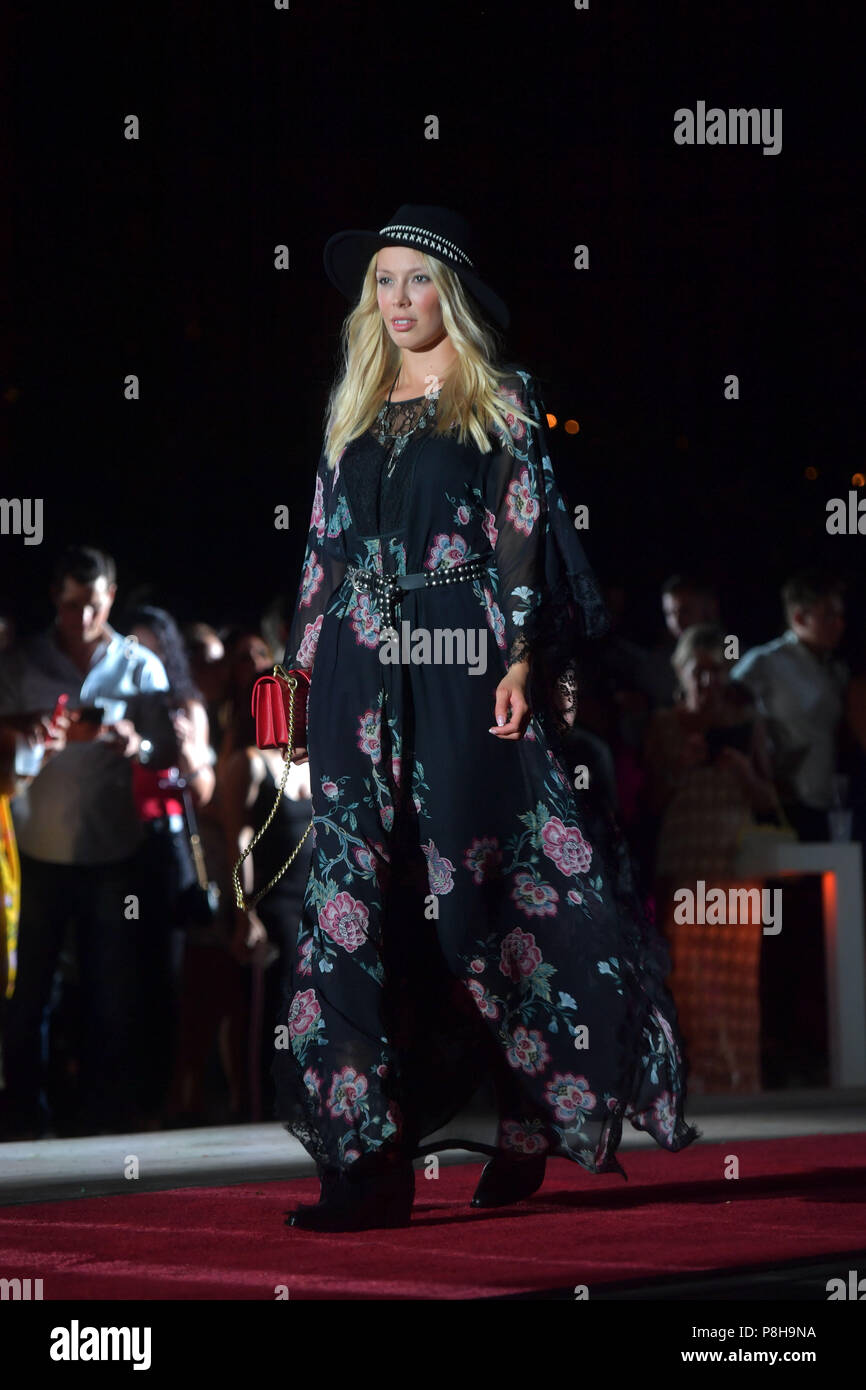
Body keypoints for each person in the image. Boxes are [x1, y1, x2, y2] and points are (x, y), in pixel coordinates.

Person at [270, 204, 699, 1232]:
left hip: (460, 661)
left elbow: (520, 538)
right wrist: (293, 684)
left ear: (449, 295)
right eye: (382, 282)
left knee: (470, 908)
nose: (398, 300)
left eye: (416, 280)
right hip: (355, 683)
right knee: (345, 906)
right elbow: (321, 558)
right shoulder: (353, 409)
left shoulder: (499, 401)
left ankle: (524, 1105)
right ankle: (361, 1158)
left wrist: (518, 655)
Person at [0, 545, 169, 1136]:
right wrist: (29, 730)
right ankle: (25, 1116)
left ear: (111, 599)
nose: (80, 620)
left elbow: (167, 749)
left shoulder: (139, 665)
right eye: (71, 606)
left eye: (92, 607)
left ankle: (106, 1118)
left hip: (112, 854)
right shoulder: (22, 664)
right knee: (28, 992)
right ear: (55, 599)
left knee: (111, 991)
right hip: (36, 850)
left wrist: (135, 743)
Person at [643, 624, 781, 1093]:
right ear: (679, 671)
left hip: (735, 865)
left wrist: (743, 771)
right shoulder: (665, 724)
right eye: (698, 672)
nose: (708, 682)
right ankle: (698, 1080)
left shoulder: (748, 723)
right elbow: (650, 804)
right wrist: (680, 764)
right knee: (689, 981)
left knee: (738, 982)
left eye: (717, 672)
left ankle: (742, 1080)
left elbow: (769, 801)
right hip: (683, 861)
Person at [730, 569, 848, 841]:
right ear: (799, 617)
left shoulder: (835, 670)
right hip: (783, 802)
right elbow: (728, 703)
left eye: (840, 615)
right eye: (828, 615)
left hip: (827, 802)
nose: (839, 624)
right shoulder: (766, 661)